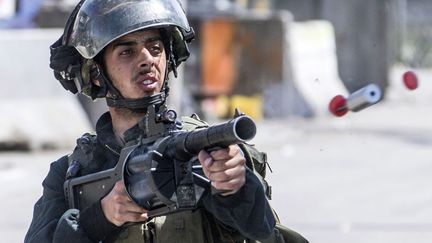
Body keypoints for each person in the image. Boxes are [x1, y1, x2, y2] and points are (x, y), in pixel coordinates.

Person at [24, 0, 281, 242]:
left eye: (155, 48)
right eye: (127, 52)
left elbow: (264, 232)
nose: (147, 59)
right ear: (96, 73)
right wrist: (98, 218)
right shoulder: (73, 172)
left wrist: (235, 189)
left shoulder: (206, 152)